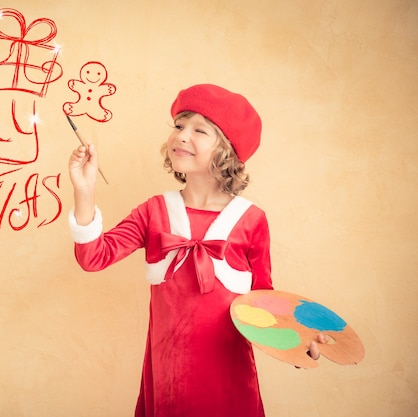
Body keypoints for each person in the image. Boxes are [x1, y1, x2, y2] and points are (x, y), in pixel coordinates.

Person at [67, 84, 323, 417]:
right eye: (178, 126)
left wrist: (299, 344)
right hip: (168, 375)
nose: (182, 135)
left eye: (199, 130)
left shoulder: (251, 220)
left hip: (229, 377)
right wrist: (84, 191)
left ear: (226, 152)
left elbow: (264, 300)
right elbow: (93, 257)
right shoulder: (154, 211)